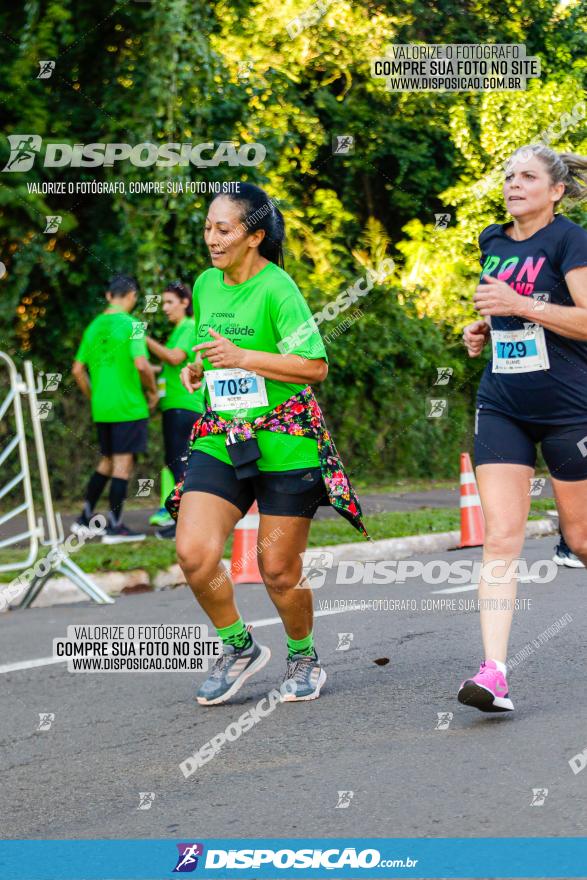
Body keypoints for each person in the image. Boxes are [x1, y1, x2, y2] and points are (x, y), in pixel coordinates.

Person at [165, 183, 366, 705]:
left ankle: (303, 656)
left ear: (254, 236)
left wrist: (245, 358)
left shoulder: (279, 289)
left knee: (277, 570)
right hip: (223, 437)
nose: (212, 237)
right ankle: (239, 647)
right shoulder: (206, 284)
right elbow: (213, 351)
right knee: (193, 553)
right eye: (208, 226)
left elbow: (314, 367)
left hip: (286, 442)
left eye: (224, 229)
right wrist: (196, 367)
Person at [460, 145, 587, 713]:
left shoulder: (570, 240)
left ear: (555, 190)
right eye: (509, 175)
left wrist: (520, 303)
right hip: (502, 403)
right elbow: (503, 310)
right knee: (500, 540)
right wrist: (483, 327)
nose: (514, 184)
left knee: (580, 539)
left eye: (528, 176)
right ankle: (494, 674)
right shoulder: (491, 241)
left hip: (569, 408)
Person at [72, 274, 158, 543]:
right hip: (128, 406)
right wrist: (152, 391)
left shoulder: (93, 326)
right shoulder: (133, 325)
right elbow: (142, 364)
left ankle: (84, 518)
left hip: (103, 407)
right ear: (132, 296)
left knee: (107, 461)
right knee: (122, 464)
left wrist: (93, 396)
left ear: (109, 296)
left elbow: (77, 370)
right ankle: (115, 526)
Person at [145, 281, 203, 539]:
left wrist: (143, 338)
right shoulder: (178, 329)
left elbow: (174, 358)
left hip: (184, 405)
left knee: (179, 465)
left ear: (185, 302)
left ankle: (186, 525)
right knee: (176, 463)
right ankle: (184, 522)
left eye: (169, 302)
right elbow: (168, 365)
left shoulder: (189, 327)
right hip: (175, 406)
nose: (165, 308)